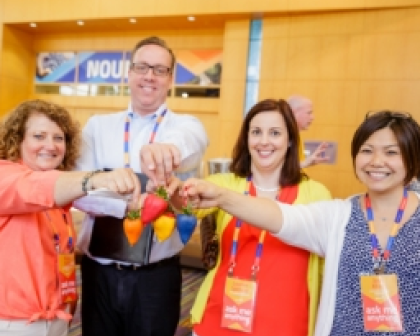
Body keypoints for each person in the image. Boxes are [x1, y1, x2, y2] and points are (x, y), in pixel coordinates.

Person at [183, 110, 420, 336]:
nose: (377, 161)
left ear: (412, 159)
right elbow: (280, 217)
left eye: (391, 152)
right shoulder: (338, 216)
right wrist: (223, 196)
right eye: (367, 150)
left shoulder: (317, 193)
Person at [75, 36, 208, 336]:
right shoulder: (98, 126)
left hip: (156, 279)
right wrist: (128, 204)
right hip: (99, 273)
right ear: (129, 72)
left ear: (171, 78)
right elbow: (80, 192)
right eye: (142, 67)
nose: (150, 76)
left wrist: (168, 151)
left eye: (160, 70)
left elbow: (191, 145)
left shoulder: (186, 126)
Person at [178, 99, 331, 336]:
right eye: (256, 132)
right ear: (246, 139)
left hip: (288, 327)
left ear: (290, 140)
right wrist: (173, 191)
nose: (264, 141)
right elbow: (188, 204)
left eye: (275, 133)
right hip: (219, 323)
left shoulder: (315, 194)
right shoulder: (226, 183)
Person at [0, 99, 141, 336]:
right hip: (14, 322)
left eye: (59, 138)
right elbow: (33, 188)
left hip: (57, 316)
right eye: (39, 136)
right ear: (17, 140)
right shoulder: (6, 176)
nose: (51, 145)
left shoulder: (60, 194)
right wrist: (93, 178)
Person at [287, 95, 329, 168]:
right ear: (293, 113)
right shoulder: (284, 136)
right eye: (309, 113)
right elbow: (280, 169)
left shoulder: (295, 135)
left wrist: (307, 162)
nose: (312, 117)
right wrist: (304, 163)